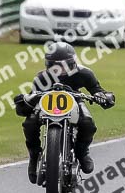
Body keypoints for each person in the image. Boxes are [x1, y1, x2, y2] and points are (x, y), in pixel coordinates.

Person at [17, 42, 115, 182]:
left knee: (88, 123)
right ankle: (34, 154)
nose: (61, 70)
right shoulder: (41, 78)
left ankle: (82, 152)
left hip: (76, 100)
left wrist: (103, 96)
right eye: (56, 67)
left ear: (73, 62)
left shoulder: (85, 73)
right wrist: (24, 100)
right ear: (48, 65)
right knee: (30, 123)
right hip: (46, 105)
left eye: (65, 65)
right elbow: (31, 98)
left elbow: (97, 90)